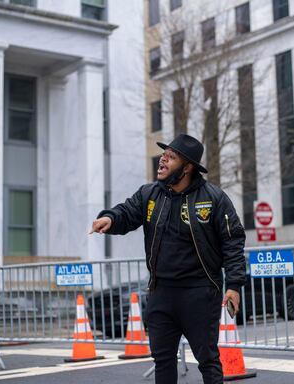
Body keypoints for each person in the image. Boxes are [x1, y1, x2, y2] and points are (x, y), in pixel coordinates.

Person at [90, 134, 246, 384]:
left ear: (188, 167)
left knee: (208, 360)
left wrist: (235, 285)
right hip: (161, 293)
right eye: (164, 154)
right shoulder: (149, 194)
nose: (162, 160)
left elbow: (233, 240)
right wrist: (110, 218)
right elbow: (127, 212)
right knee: (162, 361)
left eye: (171, 157)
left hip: (200, 293)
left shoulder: (213, 198)